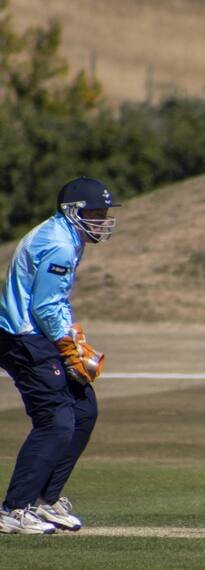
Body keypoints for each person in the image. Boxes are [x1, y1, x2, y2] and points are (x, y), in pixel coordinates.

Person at [0, 177, 117, 534]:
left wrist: (74, 339)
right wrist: (69, 349)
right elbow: (45, 305)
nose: (101, 220)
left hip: (39, 333)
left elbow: (55, 303)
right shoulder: (59, 245)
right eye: (94, 213)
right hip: (22, 337)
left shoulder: (68, 238)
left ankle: (44, 500)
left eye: (103, 213)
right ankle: (14, 509)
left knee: (83, 410)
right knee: (56, 419)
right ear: (72, 211)